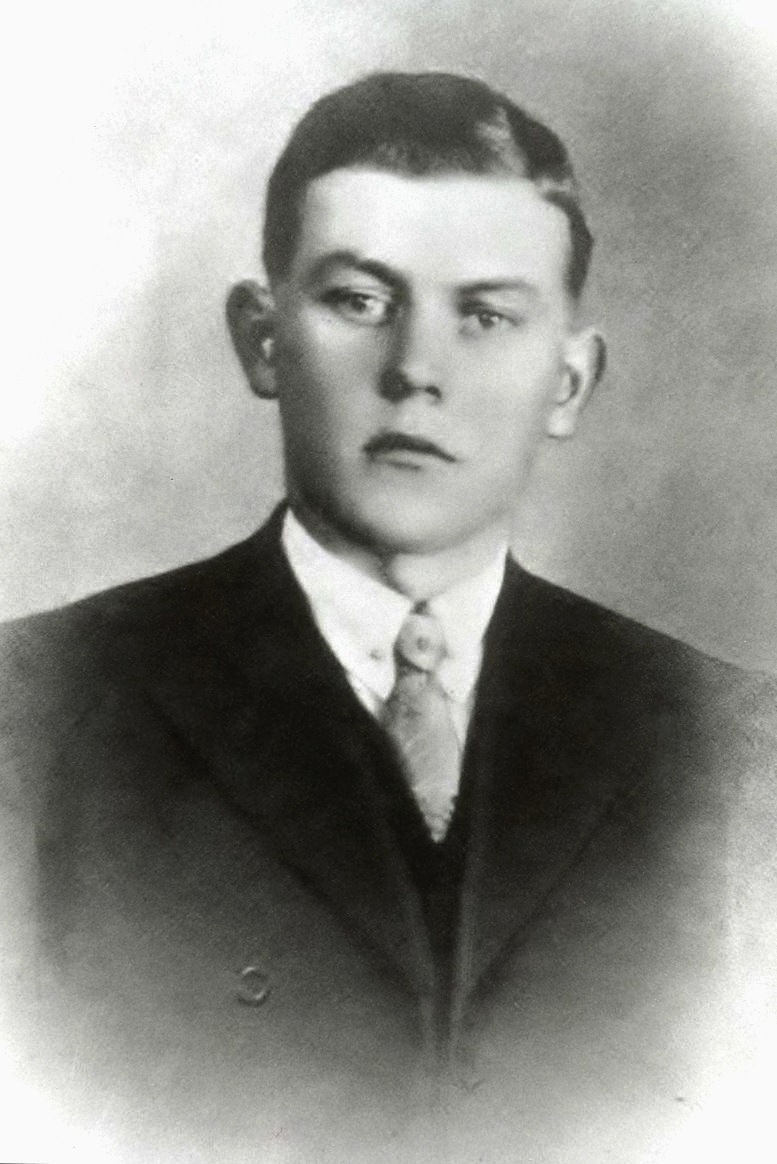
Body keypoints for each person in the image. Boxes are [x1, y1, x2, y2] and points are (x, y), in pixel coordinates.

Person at [2, 71, 775, 1164]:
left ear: (568, 382)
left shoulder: (735, 751)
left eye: (486, 316)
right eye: (361, 300)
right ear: (263, 339)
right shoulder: (33, 718)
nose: (416, 371)